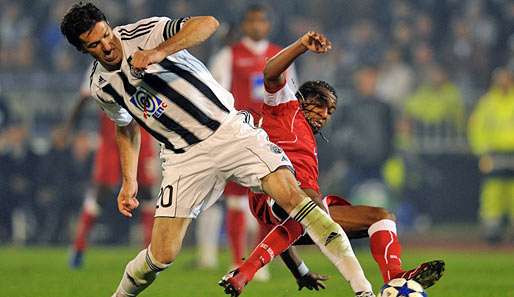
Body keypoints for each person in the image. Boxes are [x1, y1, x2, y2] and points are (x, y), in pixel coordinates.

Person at [60, 3, 375, 297]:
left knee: (296, 199)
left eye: (106, 34)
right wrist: (129, 181)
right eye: (95, 44)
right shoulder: (101, 86)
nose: (107, 45)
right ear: (83, 50)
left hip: (229, 132)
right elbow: (125, 126)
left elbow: (207, 24)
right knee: (161, 256)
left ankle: (363, 289)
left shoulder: (143, 33)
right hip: (183, 158)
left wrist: (158, 52)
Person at [219, 32, 445, 296]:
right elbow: (270, 72)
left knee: (381, 217)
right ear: (302, 99)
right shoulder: (285, 106)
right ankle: (365, 291)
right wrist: (301, 46)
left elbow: (282, 231)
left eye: (331, 111)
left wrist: (300, 272)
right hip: (274, 188)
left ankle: (394, 277)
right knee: (310, 204)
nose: (325, 114)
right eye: (322, 104)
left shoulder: (308, 142)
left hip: (287, 205)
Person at [197, 4, 293, 273]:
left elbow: (290, 97)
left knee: (270, 198)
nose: (257, 25)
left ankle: (259, 263)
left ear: (269, 25)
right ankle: (237, 261)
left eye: (261, 20)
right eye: (252, 21)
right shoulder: (229, 56)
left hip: (273, 137)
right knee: (237, 200)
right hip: (240, 136)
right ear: (244, 25)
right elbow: (214, 97)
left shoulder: (281, 55)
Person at [66, 66, 158, 268]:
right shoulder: (100, 62)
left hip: (142, 135)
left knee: (147, 191)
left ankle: (149, 253)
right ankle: (79, 247)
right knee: (102, 190)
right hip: (111, 138)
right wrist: (69, 129)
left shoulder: (143, 55)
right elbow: (84, 97)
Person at [468, 67, 514, 244]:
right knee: (492, 192)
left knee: (512, 192)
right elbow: (476, 129)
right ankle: (492, 230)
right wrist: (481, 152)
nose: (503, 82)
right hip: (493, 154)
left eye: (506, 78)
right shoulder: (487, 103)